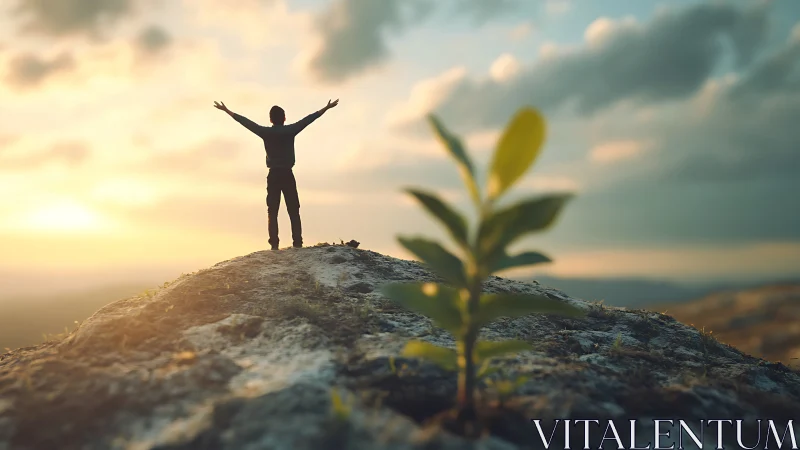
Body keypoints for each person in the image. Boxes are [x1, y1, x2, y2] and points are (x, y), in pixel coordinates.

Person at [213, 99, 339, 250]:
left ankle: (274, 244)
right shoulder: (290, 130)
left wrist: (227, 110)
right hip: (287, 174)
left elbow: (246, 123)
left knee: (272, 211)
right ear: (284, 118)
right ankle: (297, 243)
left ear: (271, 119)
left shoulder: (265, 132)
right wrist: (326, 107)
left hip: (273, 175)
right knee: (293, 209)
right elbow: (308, 119)